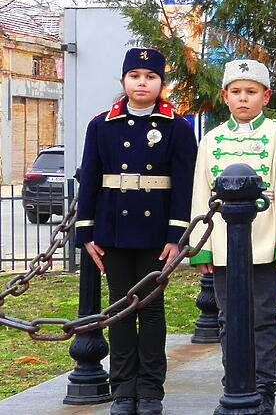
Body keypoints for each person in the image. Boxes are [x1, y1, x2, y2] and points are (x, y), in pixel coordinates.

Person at [75, 47, 197, 415]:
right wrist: (86, 233)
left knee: (151, 309)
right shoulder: (101, 125)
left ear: (161, 83)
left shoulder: (177, 126)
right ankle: (123, 390)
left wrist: (176, 236)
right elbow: (90, 180)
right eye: (135, 76)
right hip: (113, 229)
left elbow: (184, 184)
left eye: (150, 77)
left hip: (156, 232)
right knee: (120, 311)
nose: (142, 83)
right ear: (124, 80)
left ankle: (150, 391)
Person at [189, 59, 276, 415]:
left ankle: (264, 385)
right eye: (236, 92)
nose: (243, 99)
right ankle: (234, 380)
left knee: (264, 316)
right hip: (222, 241)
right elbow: (200, 193)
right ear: (225, 96)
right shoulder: (211, 139)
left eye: (251, 92)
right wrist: (201, 250)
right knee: (227, 318)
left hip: (265, 240)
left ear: (265, 96)